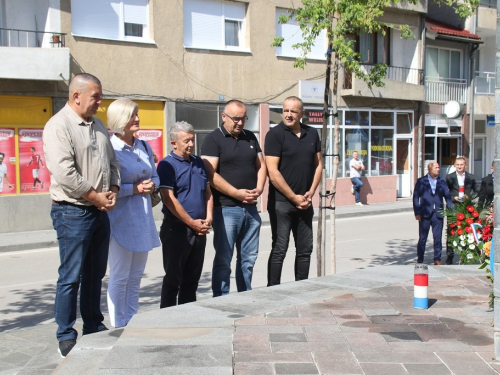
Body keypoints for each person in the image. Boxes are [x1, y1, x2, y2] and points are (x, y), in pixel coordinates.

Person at [43, 73, 120, 358]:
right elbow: (65, 174)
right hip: (72, 211)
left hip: (100, 211)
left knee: (95, 274)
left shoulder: (98, 125)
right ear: (76, 96)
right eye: (95, 97)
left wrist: (112, 189)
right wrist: (96, 196)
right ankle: (65, 333)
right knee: (71, 275)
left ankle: (93, 326)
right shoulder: (58, 126)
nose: (100, 102)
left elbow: (113, 163)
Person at [201, 100, 267, 297]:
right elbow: (210, 174)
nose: (240, 123)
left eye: (243, 119)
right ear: (224, 117)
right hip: (226, 209)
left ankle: (245, 296)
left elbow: (261, 165)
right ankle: (221, 300)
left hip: (251, 208)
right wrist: (236, 193)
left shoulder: (250, 137)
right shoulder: (213, 139)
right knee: (224, 259)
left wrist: (259, 188)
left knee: (248, 259)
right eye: (235, 119)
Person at [105, 99, 160, 328]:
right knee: (120, 277)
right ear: (119, 119)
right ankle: (119, 325)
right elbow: (106, 187)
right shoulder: (110, 149)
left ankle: (131, 320)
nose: (137, 119)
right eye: (131, 115)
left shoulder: (144, 146)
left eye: (137, 114)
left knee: (136, 275)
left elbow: (155, 176)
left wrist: (152, 186)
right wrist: (134, 189)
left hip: (143, 219)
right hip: (120, 220)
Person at [265, 96, 322, 286]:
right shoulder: (274, 135)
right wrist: (293, 197)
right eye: (286, 110)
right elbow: (272, 172)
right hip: (282, 203)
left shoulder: (312, 133)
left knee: (305, 249)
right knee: (280, 249)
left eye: (293, 111)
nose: (288, 115)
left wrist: (311, 192)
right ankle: (272, 290)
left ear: (302, 114)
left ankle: (301, 289)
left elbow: (319, 165)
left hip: (305, 201)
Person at [157, 121, 213, 308]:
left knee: (192, 280)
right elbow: (168, 198)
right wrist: (191, 222)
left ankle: (188, 317)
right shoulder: (167, 165)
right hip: (177, 229)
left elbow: (207, 192)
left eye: (192, 140)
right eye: (186, 141)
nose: (191, 144)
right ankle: (167, 319)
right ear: (174, 143)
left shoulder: (198, 162)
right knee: (173, 279)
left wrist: (208, 218)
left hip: (199, 230)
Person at [413, 162, 452, 265]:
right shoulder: (421, 181)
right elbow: (416, 197)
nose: (438, 169)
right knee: (422, 238)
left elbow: (447, 196)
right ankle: (420, 258)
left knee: (437, 238)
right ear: (429, 169)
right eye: (436, 168)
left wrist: (451, 209)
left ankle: (437, 259)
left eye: (439, 167)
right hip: (425, 214)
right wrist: (417, 212)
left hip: (438, 214)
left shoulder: (442, 181)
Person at [445, 156, 478, 264]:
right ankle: (450, 256)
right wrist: (452, 196)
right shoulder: (449, 177)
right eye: (457, 165)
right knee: (451, 231)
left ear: (465, 165)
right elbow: (445, 191)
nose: (459, 167)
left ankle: (466, 254)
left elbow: (476, 190)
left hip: (466, 206)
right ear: (455, 165)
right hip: (453, 206)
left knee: (466, 230)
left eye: (461, 165)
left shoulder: (471, 177)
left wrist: (469, 196)